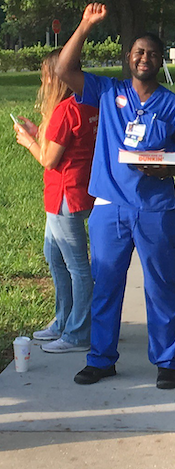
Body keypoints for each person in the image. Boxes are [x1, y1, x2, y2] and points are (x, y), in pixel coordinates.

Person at [54, 2, 175, 390]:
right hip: (110, 208)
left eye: (152, 53)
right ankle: (101, 359)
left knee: (162, 285)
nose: (144, 58)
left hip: (156, 209)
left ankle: (167, 362)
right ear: (128, 58)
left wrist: (165, 169)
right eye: (138, 52)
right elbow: (64, 70)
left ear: (159, 60)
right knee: (106, 285)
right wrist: (85, 24)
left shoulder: (174, 106)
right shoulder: (107, 92)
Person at [12, 49, 98, 354]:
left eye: (45, 75)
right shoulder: (85, 102)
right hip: (79, 190)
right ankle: (64, 320)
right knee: (54, 256)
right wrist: (40, 132)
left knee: (77, 266)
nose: (42, 81)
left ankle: (79, 333)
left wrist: (29, 140)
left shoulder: (63, 110)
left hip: (64, 195)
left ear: (56, 77)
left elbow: (49, 159)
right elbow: (67, 144)